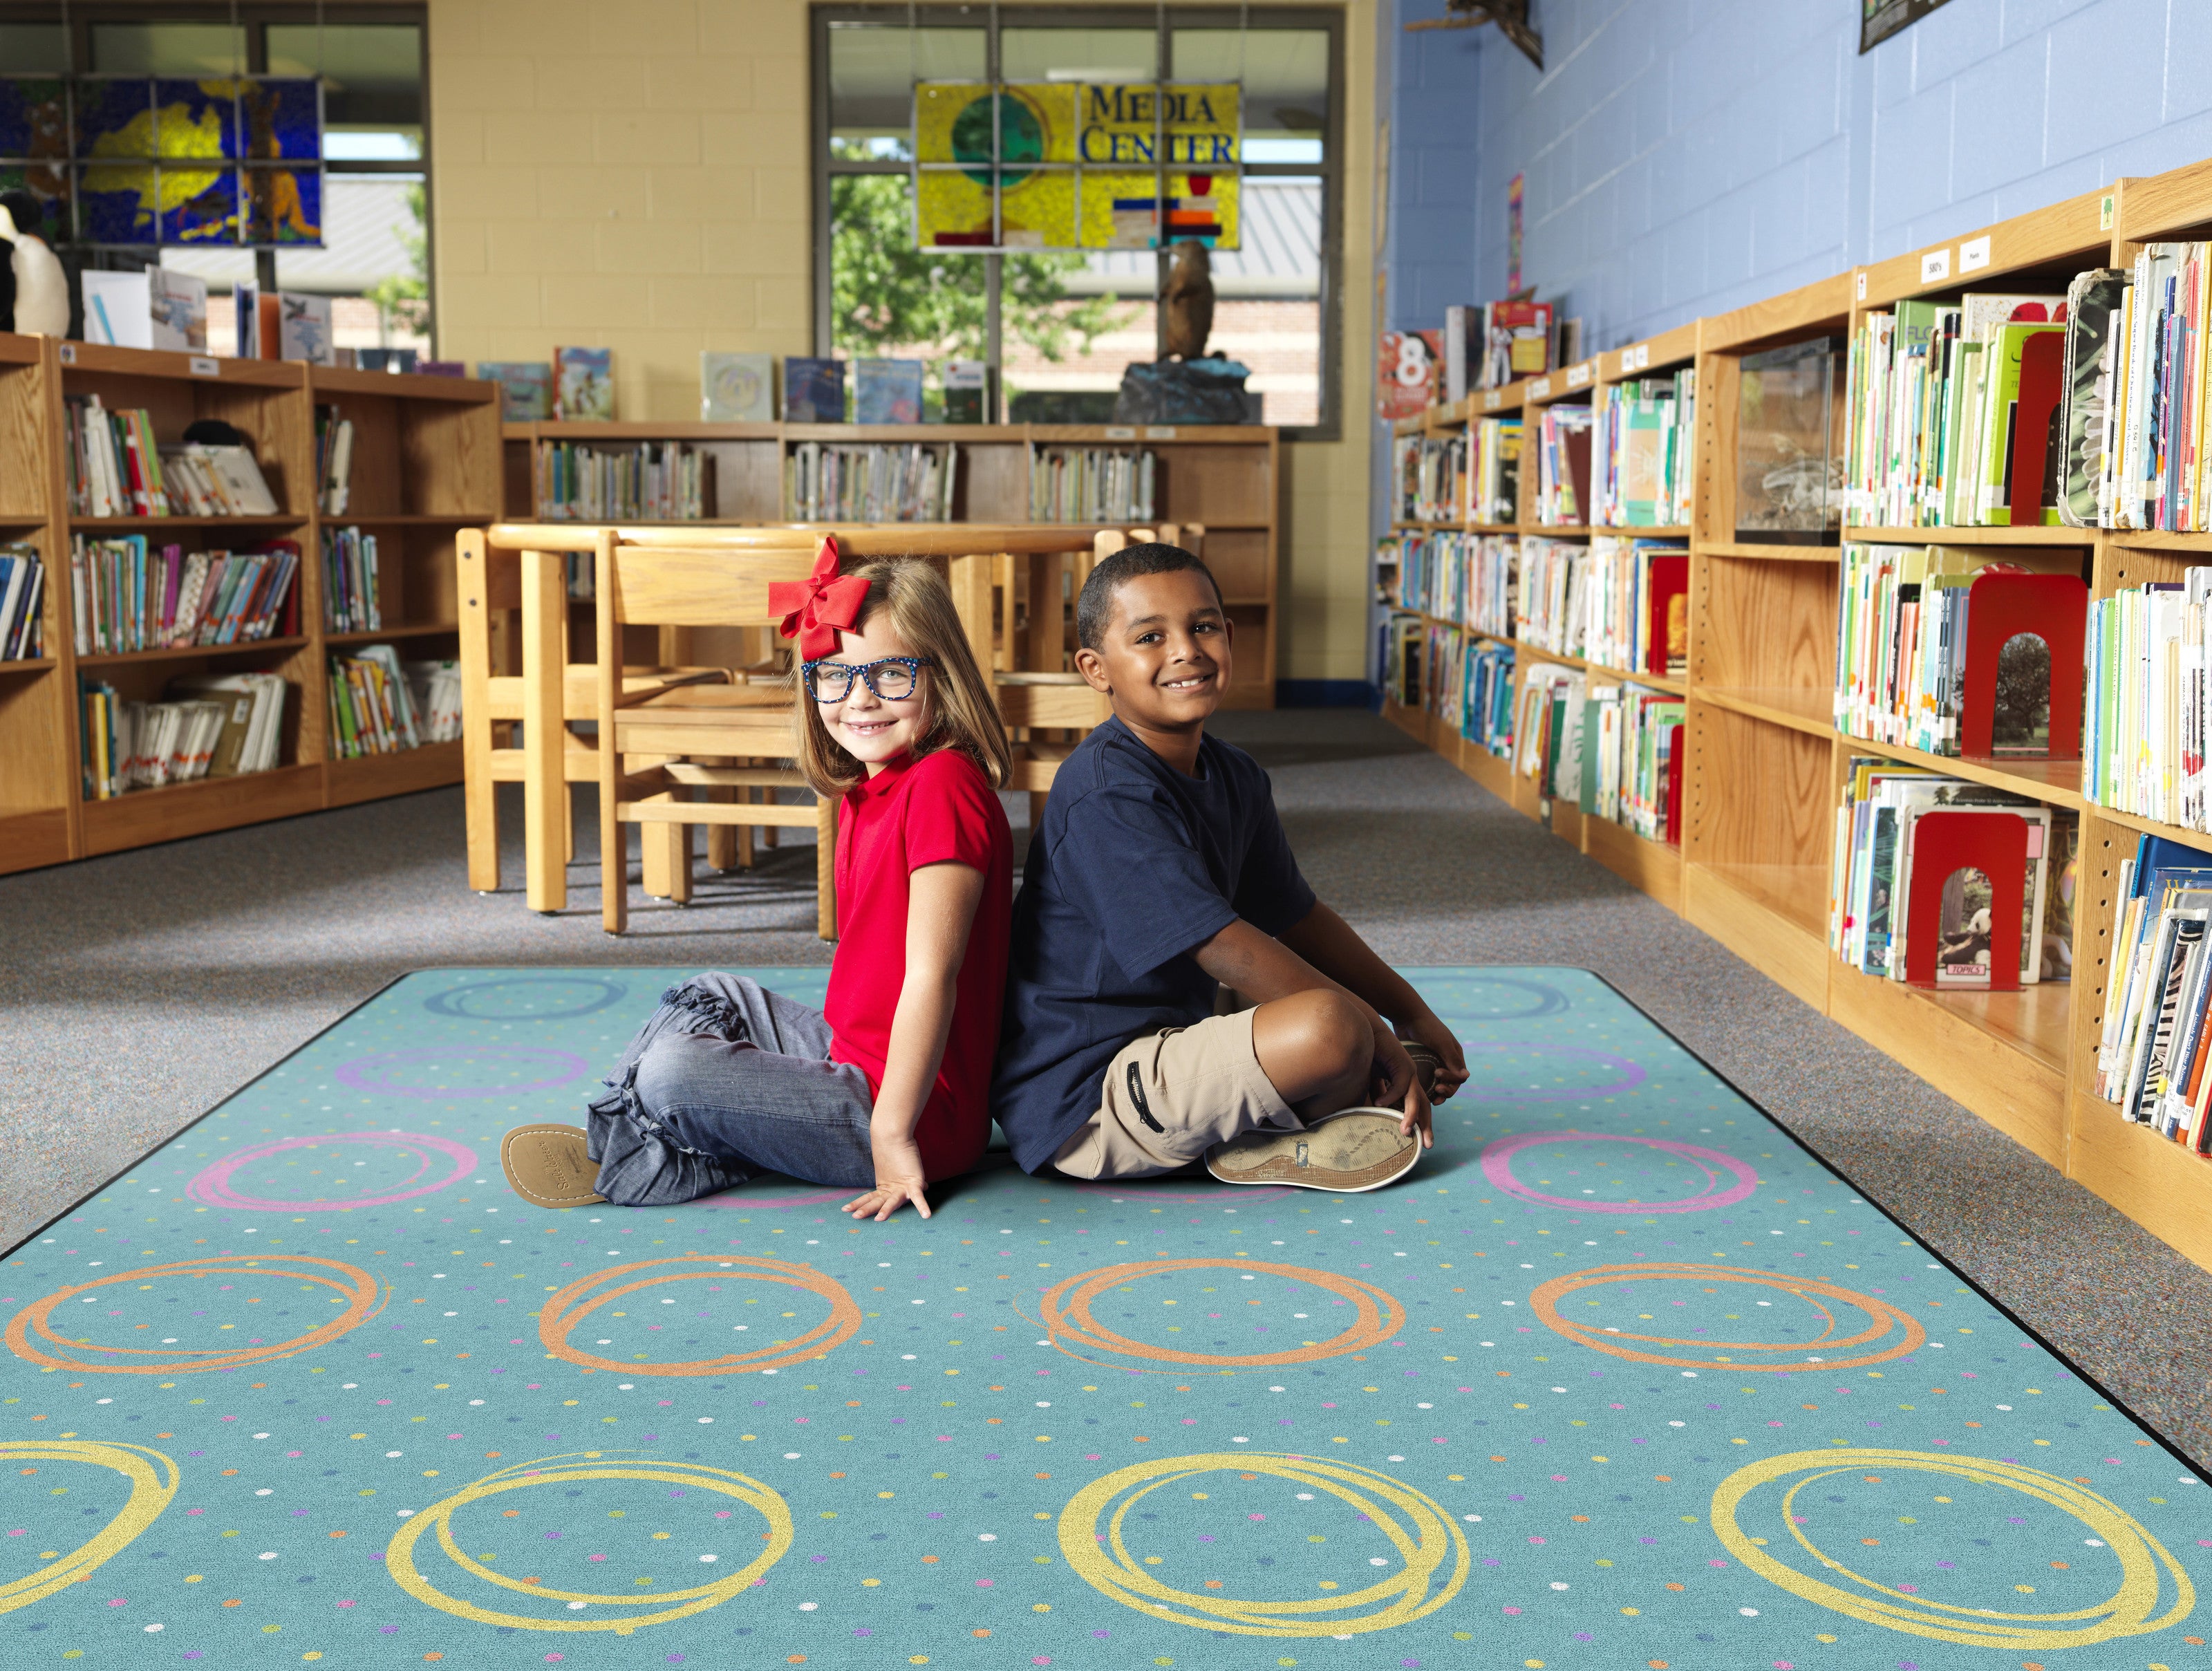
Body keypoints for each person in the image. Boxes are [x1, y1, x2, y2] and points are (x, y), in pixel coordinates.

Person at [499, 542, 1013, 1223]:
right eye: (832, 675)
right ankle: (660, 1126)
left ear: (939, 676)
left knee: (672, 1072)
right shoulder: (870, 787)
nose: (858, 699)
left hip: (912, 1113)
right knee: (710, 993)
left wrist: (891, 1133)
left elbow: (931, 976)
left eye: (890, 673)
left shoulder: (943, 784)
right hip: (851, 1053)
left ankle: (662, 1149)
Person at [991, 542, 1469, 1193]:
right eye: (1150, 636)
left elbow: (1298, 915)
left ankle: (1307, 1101)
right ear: (1096, 669)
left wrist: (1408, 1011)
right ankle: (1276, 1133)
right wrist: (1372, 1032)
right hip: (1088, 1096)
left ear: (1230, 635)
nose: (1185, 649)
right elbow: (1219, 945)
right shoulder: (1104, 791)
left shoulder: (1234, 772)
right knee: (1330, 1026)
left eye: (1204, 626)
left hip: (1176, 1031)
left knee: (1322, 1008)